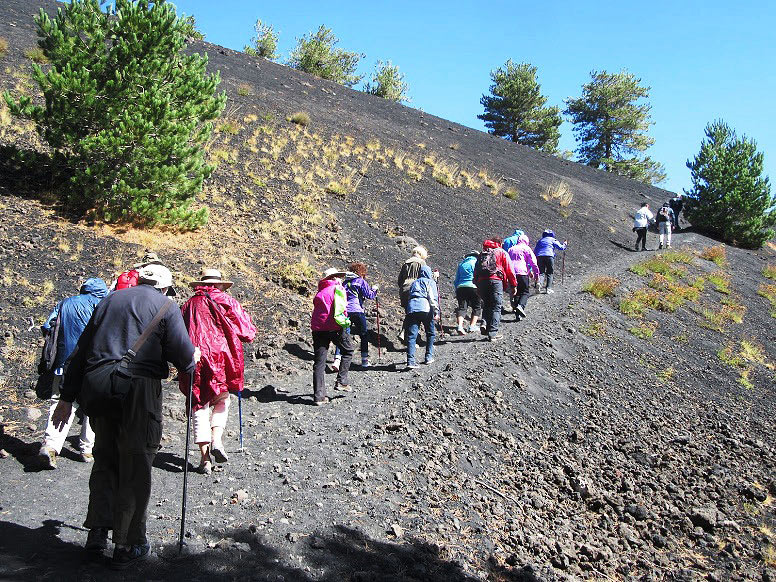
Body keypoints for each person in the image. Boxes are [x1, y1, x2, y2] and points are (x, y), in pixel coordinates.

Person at [52, 264, 198, 569]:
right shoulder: (166, 306)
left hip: (100, 386)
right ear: (165, 287)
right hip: (138, 391)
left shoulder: (109, 300)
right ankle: (127, 544)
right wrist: (192, 358)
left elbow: (80, 351)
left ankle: (97, 534)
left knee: (105, 457)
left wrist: (66, 398)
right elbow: (184, 357)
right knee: (136, 462)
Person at [179, 269, 256, 475]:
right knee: (222, 399)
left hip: (193, 357)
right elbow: (248, 332)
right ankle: (217, 440)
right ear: (219, 285)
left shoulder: (187, 305)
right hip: (221, 358)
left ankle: (204, 459)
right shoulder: (226, 301)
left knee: (198, 404)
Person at [38, 277, 108, 468]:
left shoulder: (65, 302)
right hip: (91, 364)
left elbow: (47, 326)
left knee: (58, 402)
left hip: (63, 362)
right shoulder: (101, 306)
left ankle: (51, 446)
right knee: (91, 407)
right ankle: (87, 449)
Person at [311, 268, 353, 405]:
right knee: (348, 351)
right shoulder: (337, 288)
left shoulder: (320, 291)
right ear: (334, 277)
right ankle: (342, 381)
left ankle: (319, 396)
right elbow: (342, 309)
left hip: (318, 328)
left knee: (319, 362)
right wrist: (345, 323)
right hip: (334, 327)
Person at [335, 263, 378, 369]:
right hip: (357, 311)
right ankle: (364, 360)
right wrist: (375, 289)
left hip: (345, 312)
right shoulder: (360, 281)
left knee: (343, 335)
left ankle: (337, 360)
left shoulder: (344, 283)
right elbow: (370, 295)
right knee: (364, 335)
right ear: (361, 272)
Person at [474, 238, 516, 342]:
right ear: (499, 243)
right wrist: (513, 285)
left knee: (487, 304)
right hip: (496, 281)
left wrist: (477, 284)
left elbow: (476, 271)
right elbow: (509, 269)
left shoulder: (482, 254)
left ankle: (484, 323)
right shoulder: (501, 252)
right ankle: (493, 333)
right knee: (496, 306)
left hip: (482, 282)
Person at [405, 266, 438, 368]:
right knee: (430, 333)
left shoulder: (414, 283)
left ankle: (410, 361)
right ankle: (428, 356)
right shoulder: (430, 282)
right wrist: (436, 311)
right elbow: (432, 297)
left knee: (411, 335)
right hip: (425, 307)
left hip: (412, 307)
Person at [397, 245, 428, 339]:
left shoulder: (406, 263)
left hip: (404, 289)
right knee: (415, 313)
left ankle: (405, 334)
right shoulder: (422, 263)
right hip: (416, 289)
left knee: (409, 312)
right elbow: (426, 278)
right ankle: (408, 335)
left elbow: (400, 280)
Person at [507, 235, 539, 320]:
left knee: (517, 293)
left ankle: (517, 315)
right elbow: (533, 263)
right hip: (522, 273)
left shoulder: (511, 249)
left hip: (512, 273)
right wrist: (536, 275)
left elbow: (510, 261)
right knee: (525, 292)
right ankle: (521, 306)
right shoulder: (526, 248)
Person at [453, 251, 482, 334]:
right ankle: (472, 326)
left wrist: (457, 289)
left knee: (462, 307)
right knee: (476, 307)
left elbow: (456, 280)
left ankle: (460, 326)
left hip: (461, 287)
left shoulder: (461, 264)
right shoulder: (477, 263)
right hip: (474, 287)